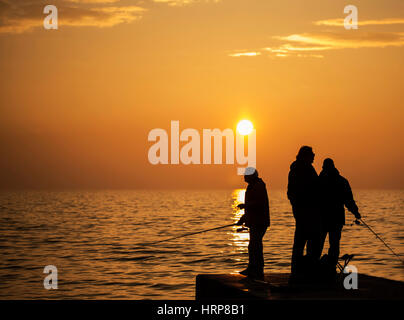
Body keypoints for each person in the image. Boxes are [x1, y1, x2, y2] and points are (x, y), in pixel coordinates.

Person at [318, 158, 361, 269]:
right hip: (336, 218)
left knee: (318, 245)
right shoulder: (342, 181)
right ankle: (331, 268)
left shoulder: (318, 181)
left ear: (324, 167)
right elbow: (349, 200)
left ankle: (316, 268)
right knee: (334, 245)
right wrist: (356, 212)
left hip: (322, 218)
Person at [287, 146, 321, 279]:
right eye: (312, 154)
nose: (314, 157)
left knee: (302, 243)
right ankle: (303, 272)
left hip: (304, 212)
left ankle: (300, 271)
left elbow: (290, 193)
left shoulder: (301, 169)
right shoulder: (302, 170)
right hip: (307, 212)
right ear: (305, 156)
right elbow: (295, 193)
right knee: (307, 243)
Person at [236, 167, 270, 280]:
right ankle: (253, 268)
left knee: (255, 245)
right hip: (254, 221)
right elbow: (252, 206)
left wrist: (245, 206)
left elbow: (258, 203)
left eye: (246, 175)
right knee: (253, 246)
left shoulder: (258, 185)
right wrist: (243, 219)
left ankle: (257, 270)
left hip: (260, 221)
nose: (244, 177)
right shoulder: (252, 186)